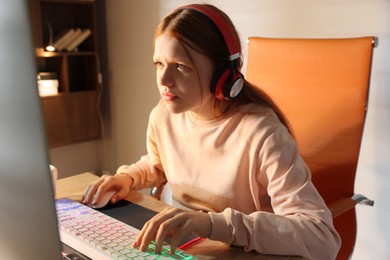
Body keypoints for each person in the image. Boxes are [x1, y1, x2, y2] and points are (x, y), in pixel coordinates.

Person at [82, 4, 341, 259]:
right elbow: (159, 164)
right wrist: (128, 178)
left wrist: (212, 224)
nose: (163, 80)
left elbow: (322, 238)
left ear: (223, 74)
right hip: (191, 247)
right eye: (159, 64)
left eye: (180, 66)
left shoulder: (262, 134)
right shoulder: (164, 115)